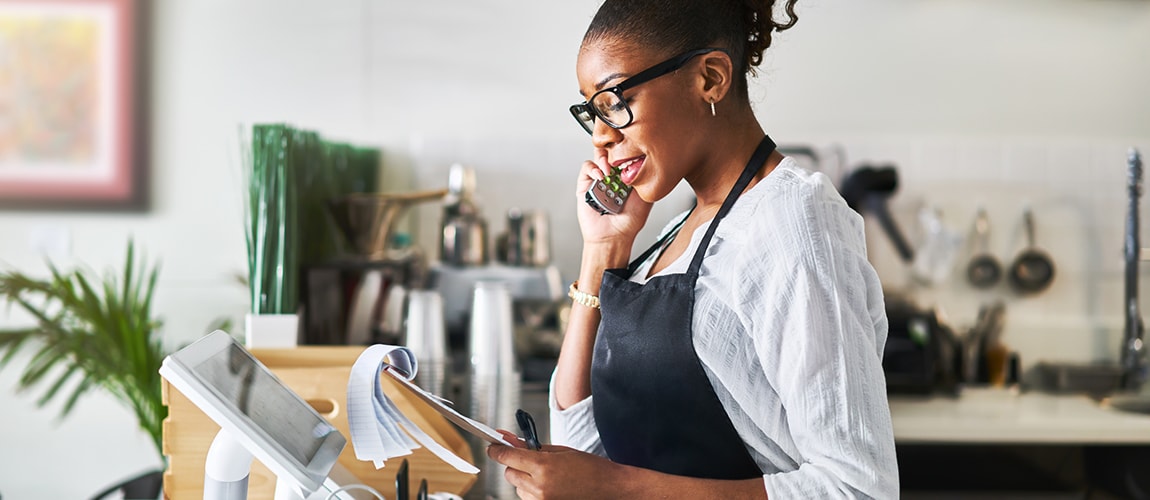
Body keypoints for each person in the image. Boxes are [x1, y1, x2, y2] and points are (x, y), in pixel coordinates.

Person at [487, 0, 899, 498]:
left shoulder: (794, 221)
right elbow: (583, 445)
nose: (600, 136)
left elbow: (857, 487)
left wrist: (618, 488)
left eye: (615, 101)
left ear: (709, 78)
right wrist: (603, 249)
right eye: (591, 112)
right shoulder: (683, 225)